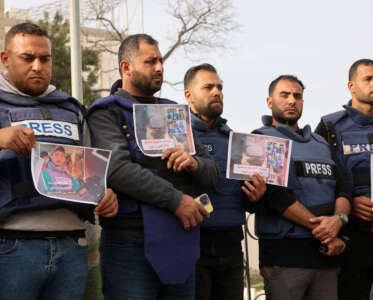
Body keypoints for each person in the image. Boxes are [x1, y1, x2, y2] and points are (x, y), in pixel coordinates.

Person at [87, 34, 219, 300]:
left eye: (160, 60)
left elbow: (212, 171)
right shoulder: (106, 112)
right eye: (150, 61)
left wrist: (193, 163)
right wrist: (176, 201)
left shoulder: (175, 113)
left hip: (181, 240)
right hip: (130, 243)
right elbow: (118, 170)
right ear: (126, 67)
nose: (159, 67)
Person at [0, 22, 118, 300]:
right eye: (27, 58)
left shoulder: (71, 108)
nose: (38, 66)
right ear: (5, 59)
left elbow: (92, 171)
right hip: (11, 246)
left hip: (72, 246)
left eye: (45, 58)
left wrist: (105, 194)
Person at [248, 75, 351, 300]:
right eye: (284, 95)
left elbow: (343, 189)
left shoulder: (320, 143)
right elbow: (275, 196)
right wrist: (325, 232)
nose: (292, 100)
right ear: (269, 101)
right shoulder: (260, 139)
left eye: (297, 96)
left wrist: (339, 219)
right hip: (285, 258)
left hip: (327, 258)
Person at [316, 58, 373, 300]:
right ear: (351, 86)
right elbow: (320, 177)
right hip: (353, 238)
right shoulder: (330, 126)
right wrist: (349, 203)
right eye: (369, 79)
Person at [183, 63, 266, 300]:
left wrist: (257, 196)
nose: (216, 92)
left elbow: (246, 201)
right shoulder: (179, 135)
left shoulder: (236, 141)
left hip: (231, 245)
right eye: (208, 87)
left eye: (219, 87)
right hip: (191, 244)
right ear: (188, 95)